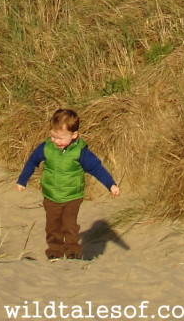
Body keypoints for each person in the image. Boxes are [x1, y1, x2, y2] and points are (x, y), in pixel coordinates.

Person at [16, 108, 120, 260]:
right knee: (52, 226)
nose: (56, 141)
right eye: (53, 136)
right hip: (51, 195)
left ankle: (73, 252)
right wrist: (22, 180)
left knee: (70, 226)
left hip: (73, 196)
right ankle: (54, 251)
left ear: (74, 135)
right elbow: (32, 162)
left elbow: (97, 168)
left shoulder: (80, 152)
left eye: (60, 138)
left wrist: (111, 185)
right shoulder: (46, 147)